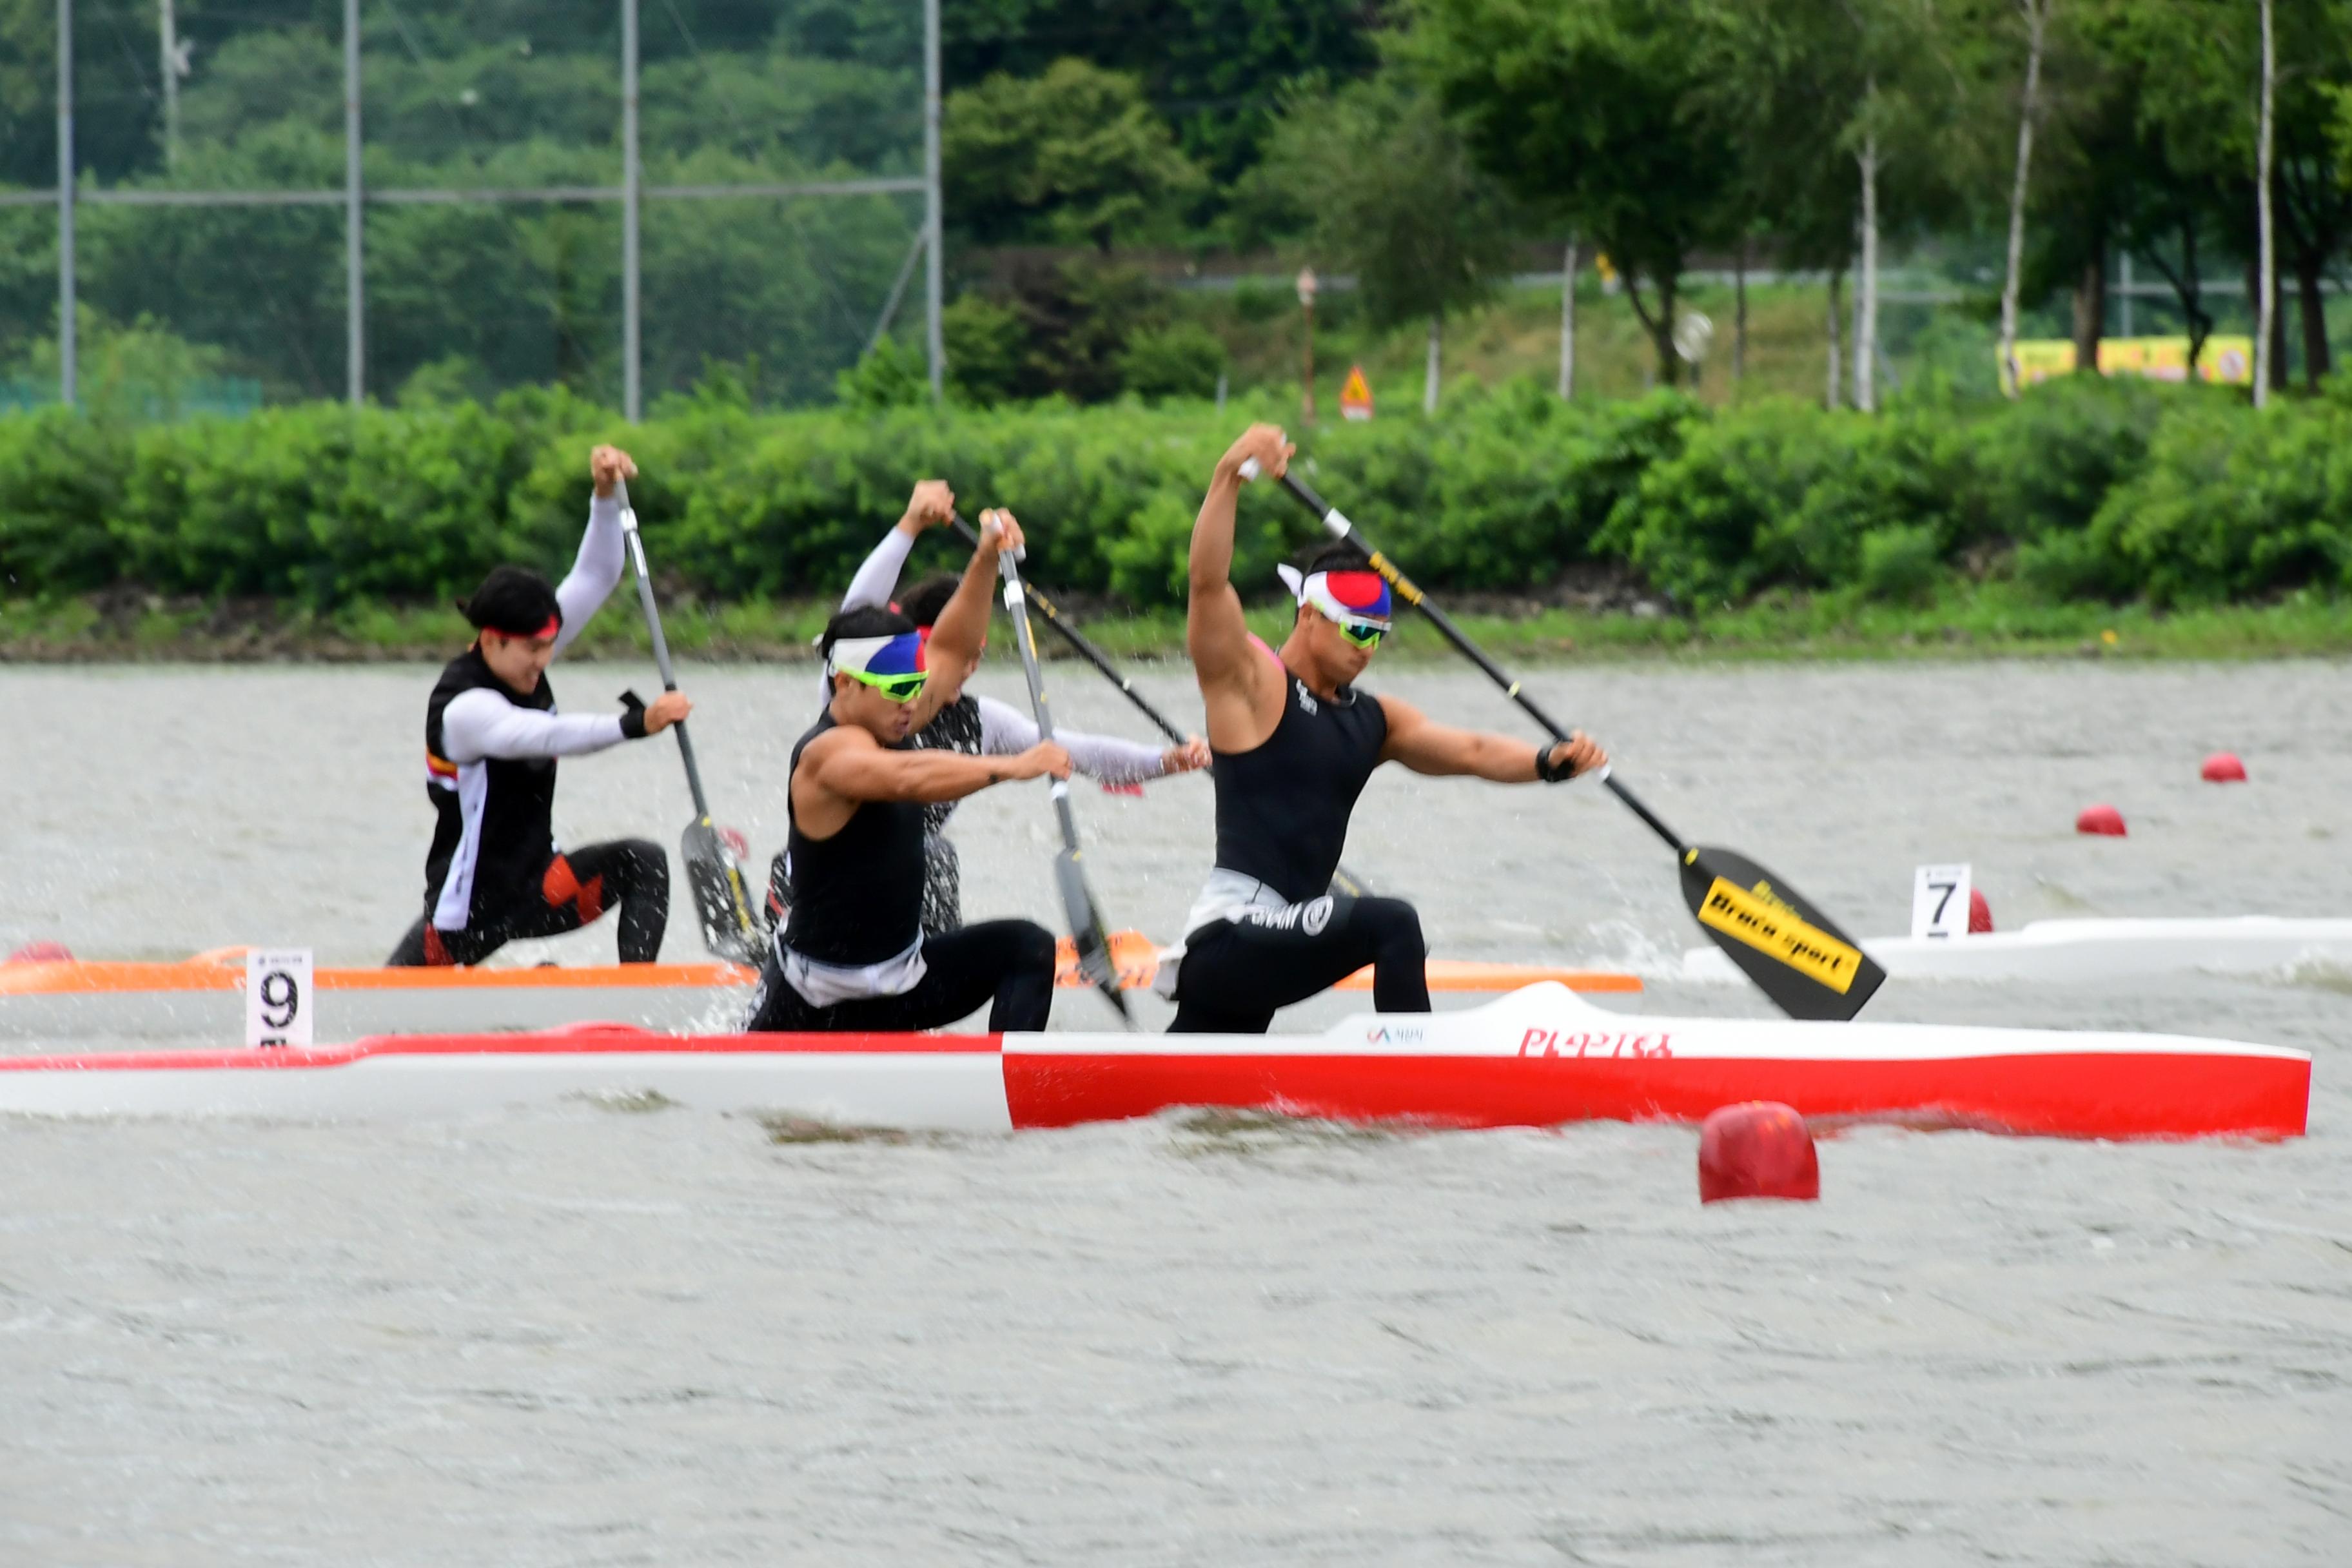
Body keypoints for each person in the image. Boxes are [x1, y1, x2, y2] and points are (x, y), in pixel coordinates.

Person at [1162, 424, 1609, 1034]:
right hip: (1230, 935)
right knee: (1390, 922)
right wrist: (1230, 473)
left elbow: (1474, 750)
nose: (1368, 648)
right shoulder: (1252, 683)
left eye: (1379, 634)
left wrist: (1548, 762)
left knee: (1203, 1103)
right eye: (1356, 630)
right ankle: (1421, 1082)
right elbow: (1208, 584)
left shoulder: (1374, 719)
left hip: (1278, 942)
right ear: (1311, 615)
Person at [766, 480, 1210, 934]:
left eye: (980, 654)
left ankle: (935, 967)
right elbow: (857, 613)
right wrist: (910, 525)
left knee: (934, 856)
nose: (971, 665)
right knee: (935, 855)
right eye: (963, 651)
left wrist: (1168, 761)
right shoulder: (851, 691)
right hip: (814, 896)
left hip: (891, 893)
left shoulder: (982, 722)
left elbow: (1075, 752)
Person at [748, 511, 1070, 1034]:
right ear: (846, 685)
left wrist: (986, 556)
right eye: (897, 689)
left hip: (903, 982)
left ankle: (1005, 1090)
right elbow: (907, 778)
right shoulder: (825, 756)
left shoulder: (891, 712)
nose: (913, 703)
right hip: (816, 1004)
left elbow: (954, 647)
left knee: (1028, 946)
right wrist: (1014, 766)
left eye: (916, 686)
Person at [391, 445, 691, 967]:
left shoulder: (528, 648)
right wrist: (636, 723)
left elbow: (595, 577)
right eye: (533, 649)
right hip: (466, 916)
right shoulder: (464, 709)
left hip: (540, 888)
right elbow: (539, 736)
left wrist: (603, 497)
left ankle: (635, 1007)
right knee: (387, 1016)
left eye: (549, 646)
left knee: (645, 863)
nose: (544, 660)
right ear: (491, 639)